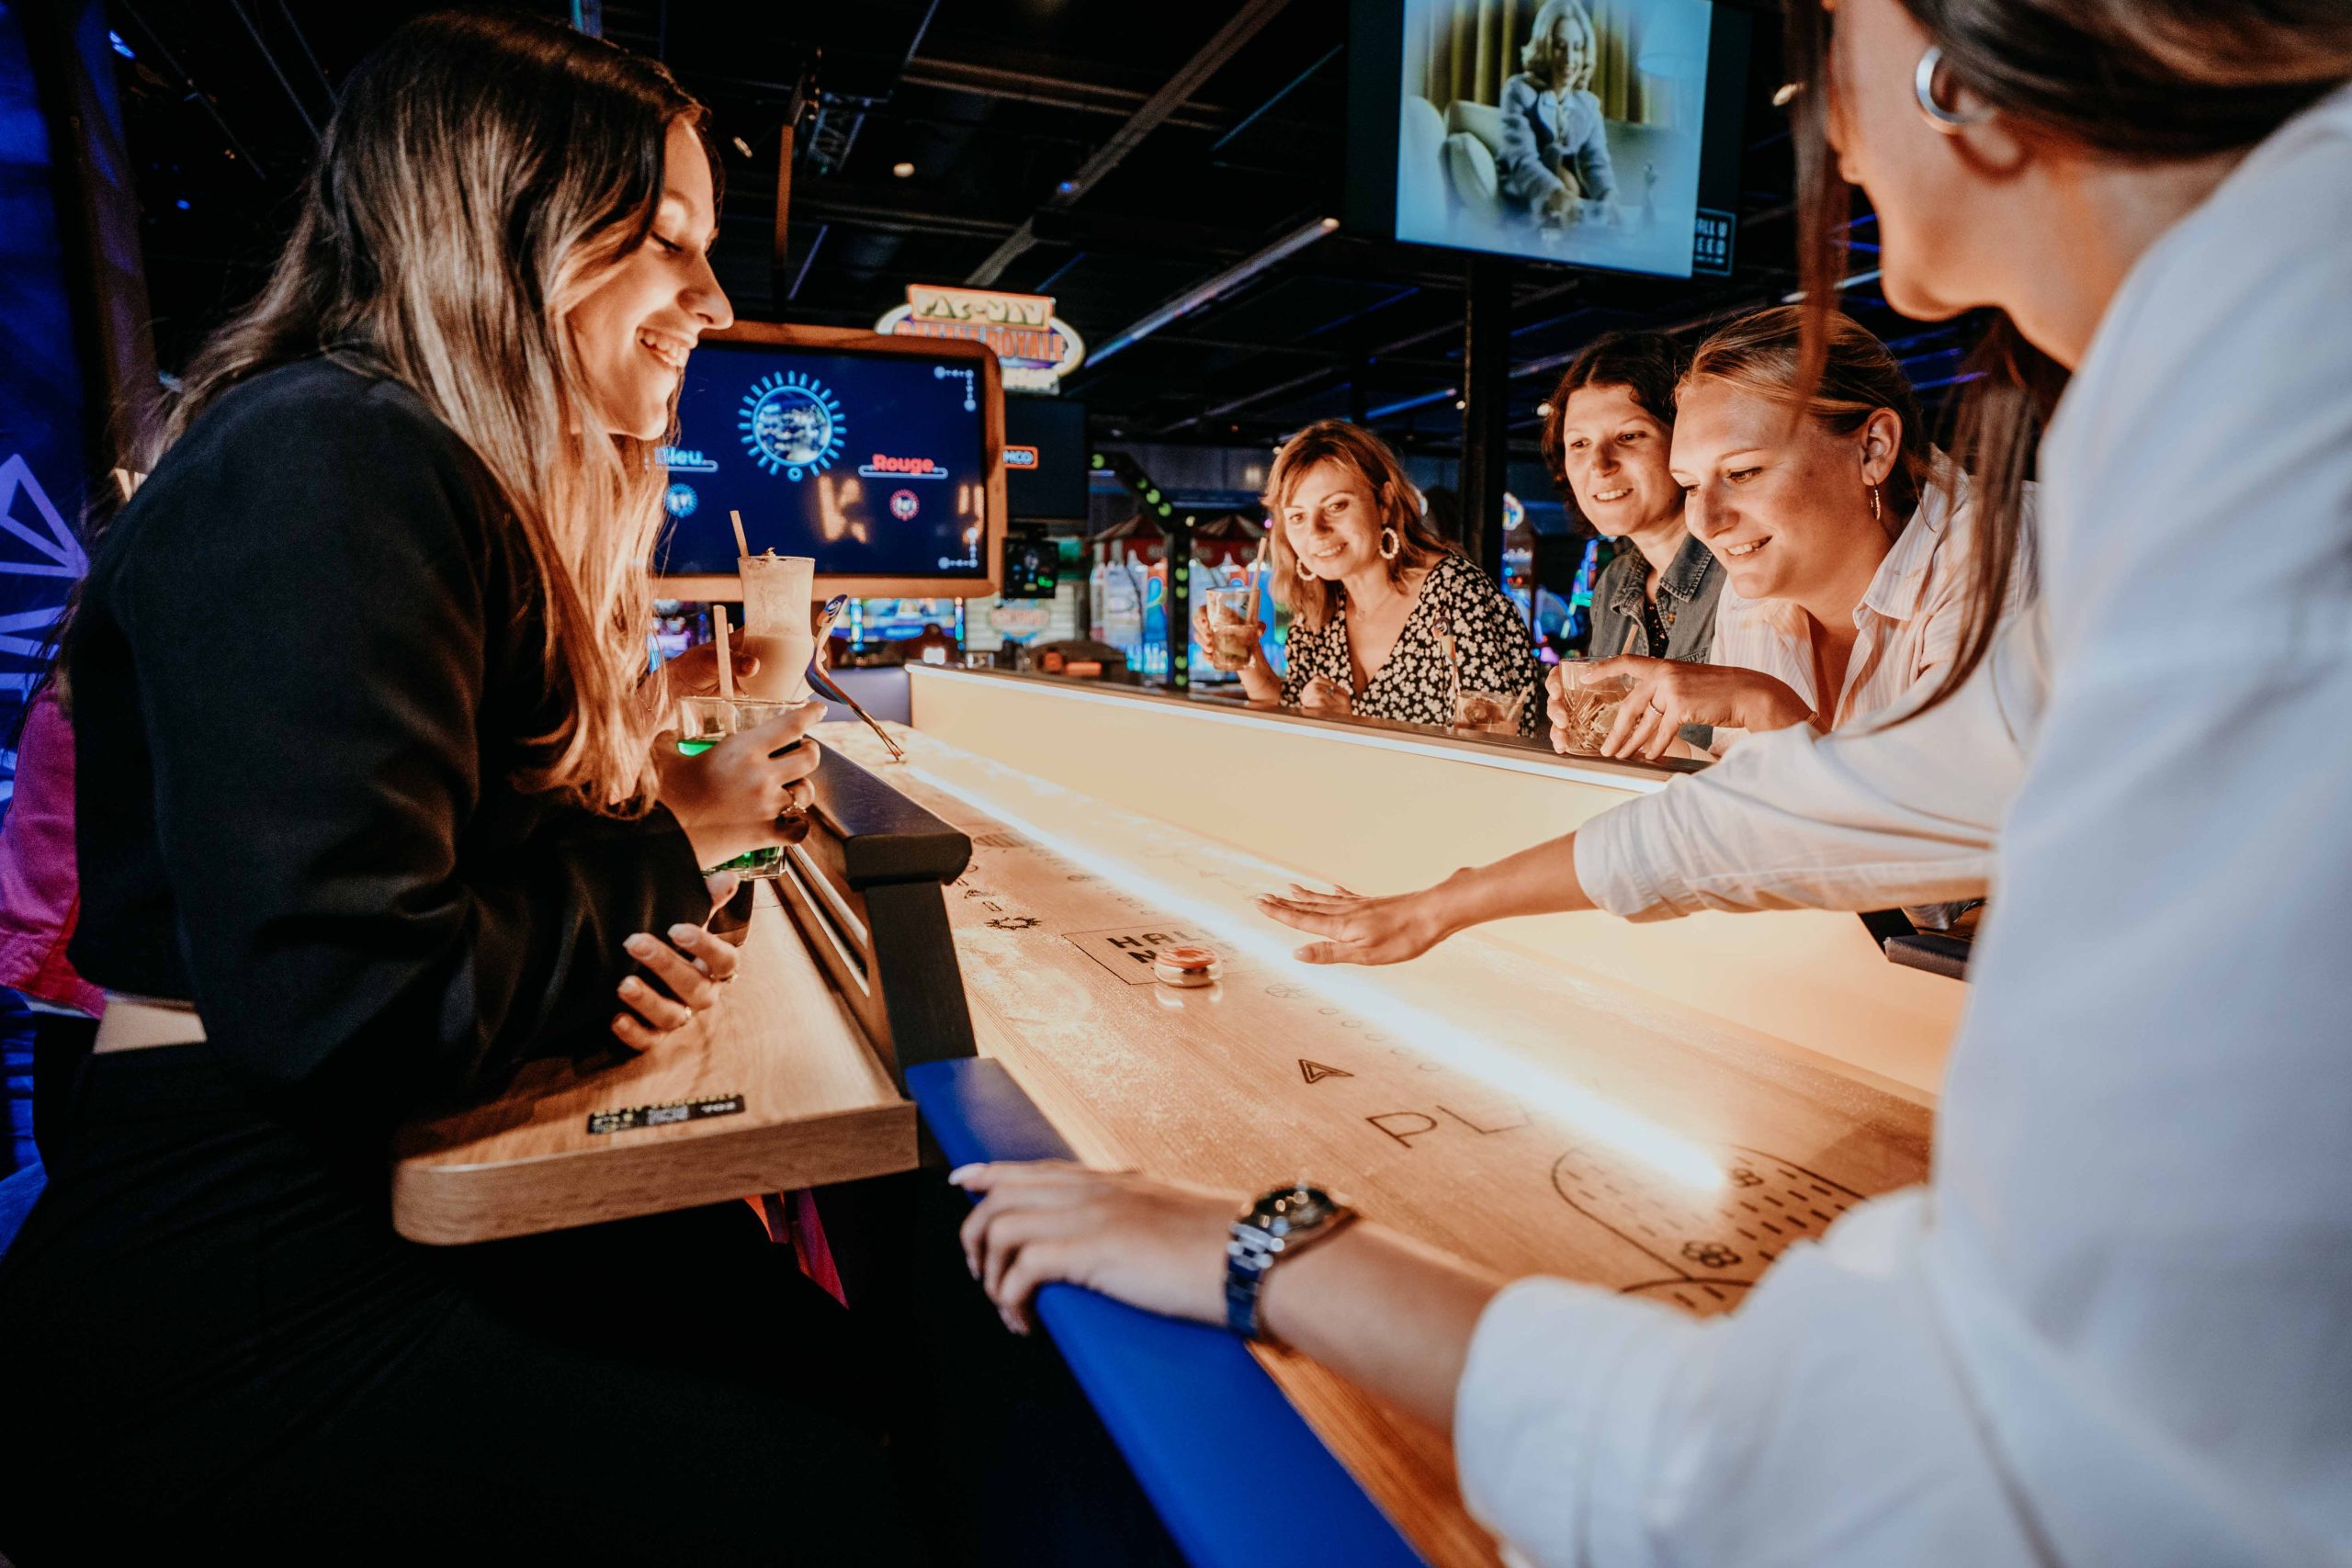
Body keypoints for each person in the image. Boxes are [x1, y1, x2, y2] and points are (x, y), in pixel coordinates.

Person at [954, 2, 2352, 1563]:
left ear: (1971, 53)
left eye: (1832, 28)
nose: (1814, 92)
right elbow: (1833, 802)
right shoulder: (2231, 364)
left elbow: (1933, 1469)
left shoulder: (2289, 397)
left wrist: (1272, 1250)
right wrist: (1447, 902)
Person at [0, 16, 917, 1563]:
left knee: (842, 1384)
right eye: (668, 240)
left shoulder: (399, 461)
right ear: (510, 225)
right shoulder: (326, 455)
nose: (713, 295)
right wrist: (659, 874)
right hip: (252, 1270)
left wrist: (616, 912)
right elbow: (358, 1004)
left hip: (338, 1198)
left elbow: (459, 892)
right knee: (850, 1486)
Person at [1558, 305, 1996, 761]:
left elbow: (1956, 817)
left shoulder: (1995, 548)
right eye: (1690, 485)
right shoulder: (1752, 589)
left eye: (1743, 473)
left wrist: (1765, 706)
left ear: (1873, 449)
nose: (1705, 525)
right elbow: (1752, 803)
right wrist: (1642, 745)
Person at [1201, 419, 1543, 737]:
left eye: (1336, 506)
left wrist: (1354, 724)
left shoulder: (1454, 596)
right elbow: (1289, 716)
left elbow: (1496, 746)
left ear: (1384, 503)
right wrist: (1248, 657)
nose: (1316, 532)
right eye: (1298, 517)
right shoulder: (1317, 616)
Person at [1543, 330, 1723, 743]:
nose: (1600, 464)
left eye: (1629, 436)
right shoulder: (1614, 585)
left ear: (1684, 441)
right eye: (1580, 444)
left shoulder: (1741, 568)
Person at [1498, 0, 1618, 227]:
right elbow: (1522, 160)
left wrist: (1609, 197)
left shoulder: (1589, 106)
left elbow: (1597, 164)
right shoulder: (1518, 91)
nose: (1569, 59)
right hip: (1527, 204)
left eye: (1577, 47)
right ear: (1544, 46)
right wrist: (1556, 194)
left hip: (1574, 212)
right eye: (1560, 46)